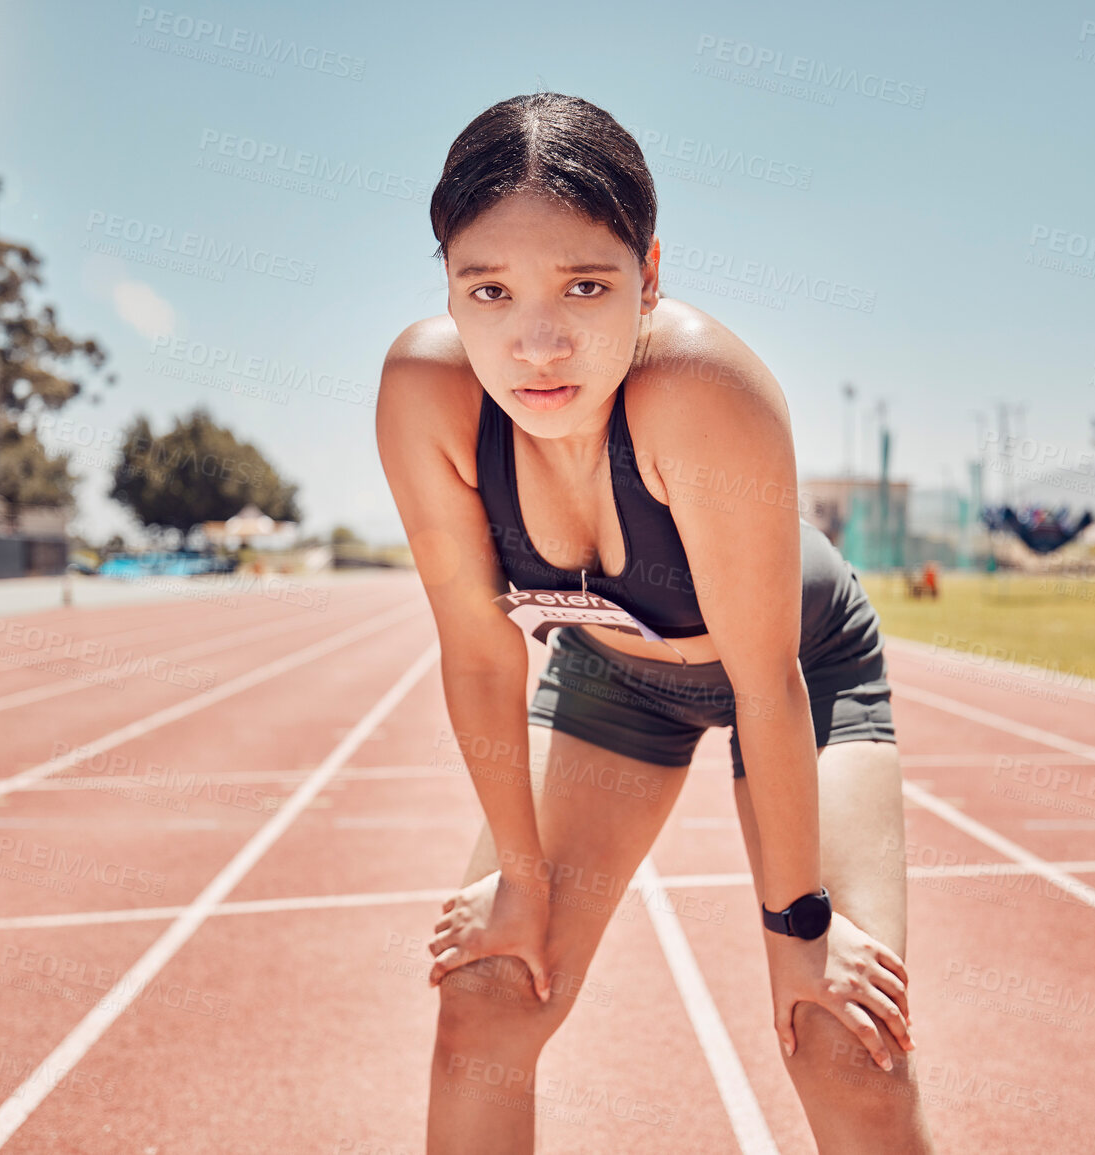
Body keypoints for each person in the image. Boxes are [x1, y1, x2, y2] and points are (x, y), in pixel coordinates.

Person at [376, 92, 936, 1154]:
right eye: (487, 290)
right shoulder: (425, 392)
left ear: (651, 272)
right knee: (488, 994)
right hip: (611, 680)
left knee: (841, 1043)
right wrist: (523, 883)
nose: (537, 344)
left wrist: (800, 930)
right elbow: (479, 651)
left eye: (585, 285)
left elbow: (768, 684)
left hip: (798, 674)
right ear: (448, 284)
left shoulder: (696, 385)